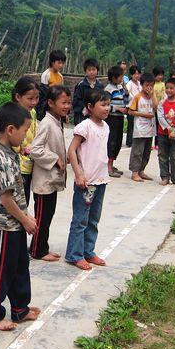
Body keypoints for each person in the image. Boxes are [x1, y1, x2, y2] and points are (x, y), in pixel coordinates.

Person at [0, 102, 41, 331]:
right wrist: (25, 220)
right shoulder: (3, 160)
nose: (25, 136)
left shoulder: (11, 154)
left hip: (14, 223)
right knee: (0, 270)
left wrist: (24, 216)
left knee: (19, 266)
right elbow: (6, 199)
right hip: (3, 226)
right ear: (10, 130)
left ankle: (20, 308)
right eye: (24, 131)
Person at [64, 89, 111, 270]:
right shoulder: (85, 126)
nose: (107, 108)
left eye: (108, 105)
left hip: (101, 180)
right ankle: (74, 255)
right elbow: (71, 150)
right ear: (90, 107)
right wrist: (78, 174)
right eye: (103, 104)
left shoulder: (105, 127)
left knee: (93, 219)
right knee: (80, 220)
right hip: (86, 182)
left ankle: (88, 251)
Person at [30, 85, 70, 262]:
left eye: (68, 103)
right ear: (51, 103)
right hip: (44, 182)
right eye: (63, 103)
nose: (67, 106)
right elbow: (35, 149)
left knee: (48, 216)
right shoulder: (46, 123)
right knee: (42, 217)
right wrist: (55, 159)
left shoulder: (57, 121)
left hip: (51, 180)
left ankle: (42, 247)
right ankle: (37, 250)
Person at [11, 77, 40, 203]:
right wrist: (21, 149)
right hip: (17, 166)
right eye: (30, 98)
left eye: (37, 98)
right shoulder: (12, 115)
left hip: (29, 164)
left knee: (25, 200)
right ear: (18, 97)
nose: (34, 102)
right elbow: (8, 140)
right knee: (18, 201)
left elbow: (36, 131)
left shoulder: (32, 112)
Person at [127, 72, 157, 182]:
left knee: (146, 152)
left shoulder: (152, 97)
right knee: (137, 152)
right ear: (142, 85)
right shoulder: (138, 97)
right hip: (140, 129)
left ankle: (141, 170)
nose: (149, 88)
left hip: (150, 128)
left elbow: (156, 108)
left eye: (151, 85)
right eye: (146, 85)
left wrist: (153, 95)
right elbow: (130, 111)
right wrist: (144, 115)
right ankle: (134, 172)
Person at [157, 78, 175, 186]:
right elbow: (160, 117)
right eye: (167, 88)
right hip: (163, 134)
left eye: (171, 88)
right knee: (162, 156)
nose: (169, 90)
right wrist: (169, 129)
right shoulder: (162, 102)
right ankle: (165, 177)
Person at [104, 65, 128, 178]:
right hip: (112, 118)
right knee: (111, 142)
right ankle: (108, 167)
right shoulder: (108, 89)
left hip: (120, 117)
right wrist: (118, 109)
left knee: (118, 141)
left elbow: (126, 100)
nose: (122, 79)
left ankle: (111, 164)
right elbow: (105, 104)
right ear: (113, 78)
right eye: (120, 77)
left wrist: (126, 91)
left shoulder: (120, 88)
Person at [72, 58, 103, 125]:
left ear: (97, 71)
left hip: (95, 115)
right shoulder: (81, 85)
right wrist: (85, 108)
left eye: (93, 69)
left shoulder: (100, 86)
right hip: (82, 116)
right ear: (85, 71)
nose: (91, 72)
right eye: (89, 70)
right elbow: (76, 101)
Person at [125, 65, 142, 147]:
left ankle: (136, 140)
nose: (137, 75)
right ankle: (129, 141)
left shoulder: (140, 83)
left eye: (138, 74)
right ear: (131, 75)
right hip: (131, 107)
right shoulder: (129, 84)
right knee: (131, 124)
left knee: (137, 124)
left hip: (139, 107)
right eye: (135, 74)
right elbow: (128, 94)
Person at [151, 67, 166, 151]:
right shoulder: (152, 84)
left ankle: (157, 143)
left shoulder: (163, 84)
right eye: (158, 75)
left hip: (160, 108)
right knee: (151, 125)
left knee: (158, 126)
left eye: (161, 75)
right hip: (152, 108)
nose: (160, 77)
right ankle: (150, 143)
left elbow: (164, 96)